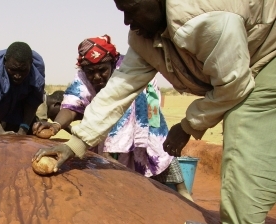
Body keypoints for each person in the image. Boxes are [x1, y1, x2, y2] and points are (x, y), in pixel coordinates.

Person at [33, 0, 276, 224]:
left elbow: (232, 85)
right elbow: (119, 91)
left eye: (131, 9)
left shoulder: (206, 18)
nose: (127, 21)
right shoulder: (144, 37)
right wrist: (74, 145)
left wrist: (187, 126)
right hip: (251, 61)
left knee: (243, 124)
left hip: (267, 55)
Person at [33, 35, 192, 200]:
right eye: (91, 72)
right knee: (119, 179)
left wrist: (108, 153)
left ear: (112, 63)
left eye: (102, 70)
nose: (96, 77)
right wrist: (56, 125)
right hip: (104, 124)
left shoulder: (126, 71)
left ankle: (184, 196)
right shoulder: (82, 77)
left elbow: (120, 108)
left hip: (141, 119)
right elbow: (73, 103)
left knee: (158, 155)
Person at [0, 42, 45, 135]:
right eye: (13, 69)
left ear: (31, 63)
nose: (17, 75)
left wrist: (23, 129)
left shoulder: (37, 66)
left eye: (23, 70)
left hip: (18, 106)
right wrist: (0, 133)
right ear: (5, 61)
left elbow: (33, 100)